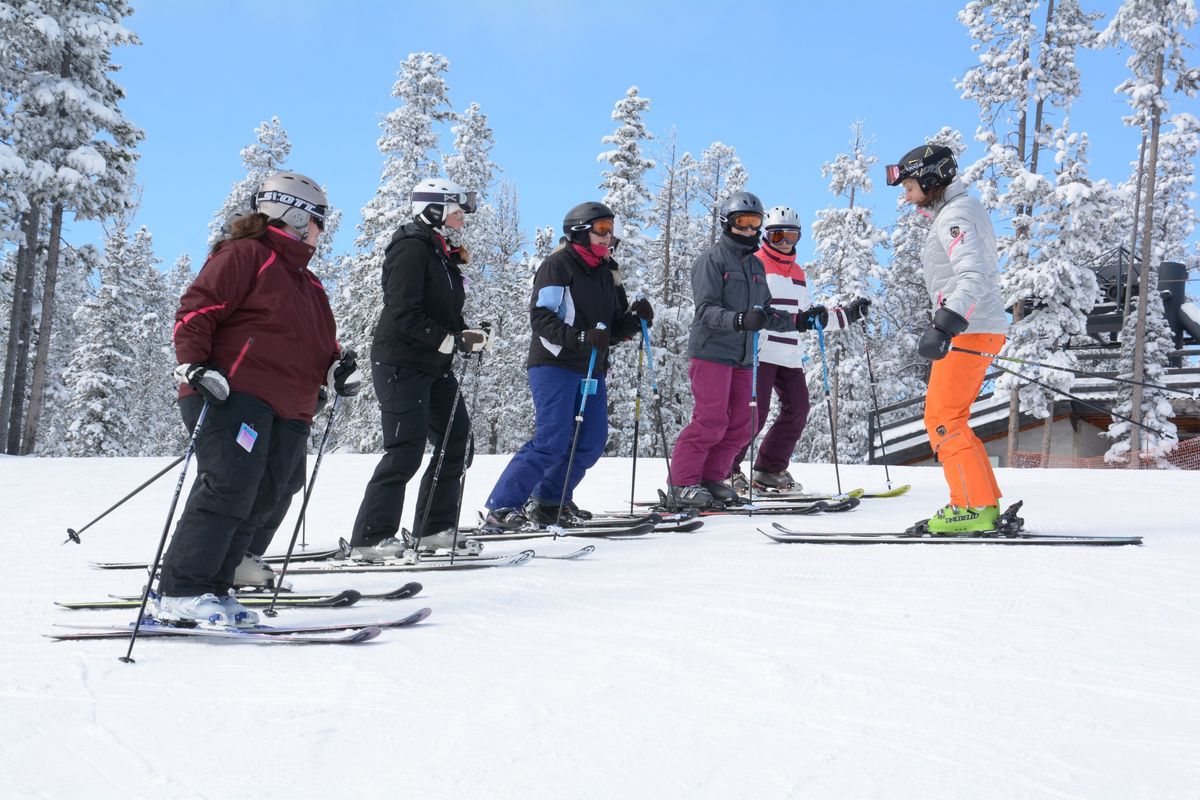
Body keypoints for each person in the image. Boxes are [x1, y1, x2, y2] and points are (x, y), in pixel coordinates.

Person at [158, 171, 361, 625]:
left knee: (274, 489)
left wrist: (335, 369)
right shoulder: (246, 254)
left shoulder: (309, 284)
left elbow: (318, 345)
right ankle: (181, 589)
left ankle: (216, 585)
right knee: (231, 483)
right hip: (233, 390)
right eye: (317, 220)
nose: (320, 231)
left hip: (290, 407)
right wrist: (194, 366)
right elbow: (197, 310)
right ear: (292, 214)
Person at [484, 201, 650, 529]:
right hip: (555, 364)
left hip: (591, 368)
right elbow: (541, 318)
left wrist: (635, 320)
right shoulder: (558, 265)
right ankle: (502, 506)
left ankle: (549, 501)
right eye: (601, 230)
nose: (607, 238)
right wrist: (578, 338)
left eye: (610, 232)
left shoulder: (608, 271)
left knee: (590, 441)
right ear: (579, 231)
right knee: (552, 439)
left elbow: (612, 327)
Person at [347, 178, 489, 559]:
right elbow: (403, 310)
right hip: (400, 363)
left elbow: (443, 311)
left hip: (434, 365)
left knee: (456, 441)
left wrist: (465, 333)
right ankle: (370, 538)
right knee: (404, 451)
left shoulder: (441, 252)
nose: (462, 217)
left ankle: (433, 530)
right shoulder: (410, 247)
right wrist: (447, 339)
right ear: (434, 208)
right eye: (457, 210)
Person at [885, 144, 1008, 532]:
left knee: (942, 418)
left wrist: (945, 324)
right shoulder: (957, 212)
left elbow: (972, 275)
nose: (905, 196)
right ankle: (981, 504)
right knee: (953, 417)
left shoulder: (956, 216)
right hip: (976, 326)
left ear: (931, 178)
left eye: (909, 186)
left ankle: (970, 507)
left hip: (970, 327)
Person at [727, 206, 871, 494]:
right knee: (755, 413)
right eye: (777, 235)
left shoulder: (797, 273)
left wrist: (850, 315)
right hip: (762, 351)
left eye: (790, 236)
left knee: (799, 410)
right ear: (766, 236)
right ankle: (726, 468)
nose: (784, 243)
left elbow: (807, 317)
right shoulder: (755, 263)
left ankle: (769, 468)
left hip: (790, 354)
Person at [665, 192, 795, 508]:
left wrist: (801, 321)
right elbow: (706, 310)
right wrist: (738, 319)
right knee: (710, 420)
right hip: (711, 351)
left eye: (755, 223)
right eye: (743, 223)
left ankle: (712, 478)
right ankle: (682, 483)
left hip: (744, 356)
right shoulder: (711, 260)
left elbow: (765, 312)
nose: (749, 230)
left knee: (741, 423)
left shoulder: (755, 266)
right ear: (728, 223)